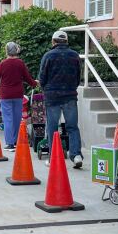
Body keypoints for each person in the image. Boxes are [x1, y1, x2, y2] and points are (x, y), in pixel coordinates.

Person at [37, 30, 83, 168]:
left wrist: (45, 89)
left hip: (52, 97)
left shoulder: (48, 56)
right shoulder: (75, 56)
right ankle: (76, 156)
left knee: (52, 128)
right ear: (66, 41)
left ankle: (53, 158)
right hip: (70, 96)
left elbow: (42, 78)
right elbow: (77, 77)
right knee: (72, 127)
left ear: (53, 41)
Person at [0, 42, 37, 151]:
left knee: (8, 119)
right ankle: (17, 140)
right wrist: (34, 83)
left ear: (7, 51)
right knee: (17, 118)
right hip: (18, 94)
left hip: (5, 95)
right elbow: (27, 78)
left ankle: (10, 143)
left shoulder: (2, 64)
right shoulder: (20, 63)